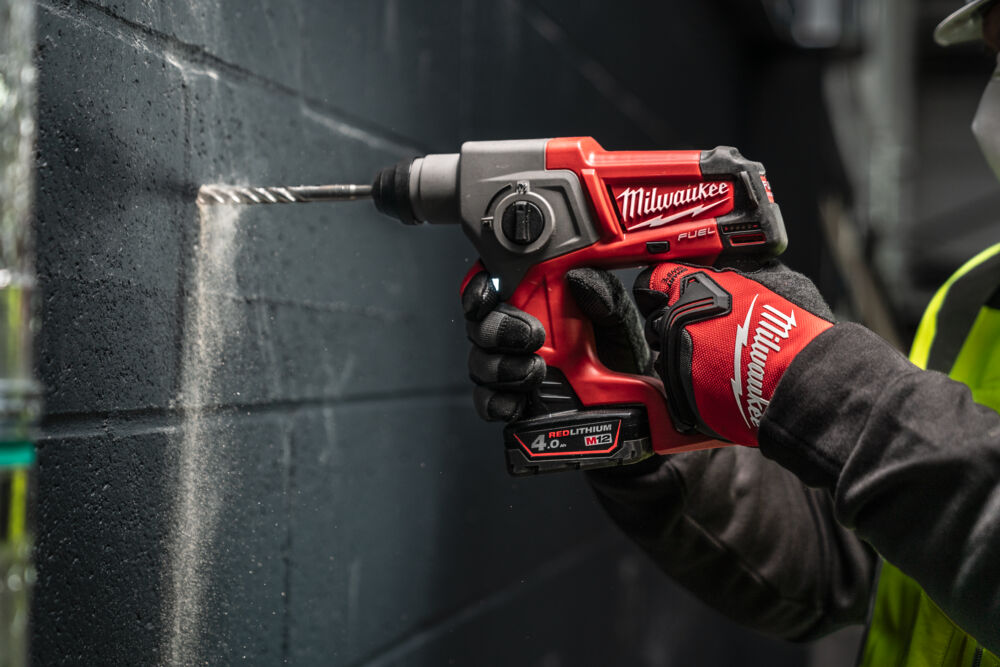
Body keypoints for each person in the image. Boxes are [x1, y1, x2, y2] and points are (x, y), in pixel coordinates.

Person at [462, 1, 1000, 664]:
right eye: (994, 56)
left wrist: (822, 384)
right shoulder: (975, 296)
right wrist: (643, 430)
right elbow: (847, 562)